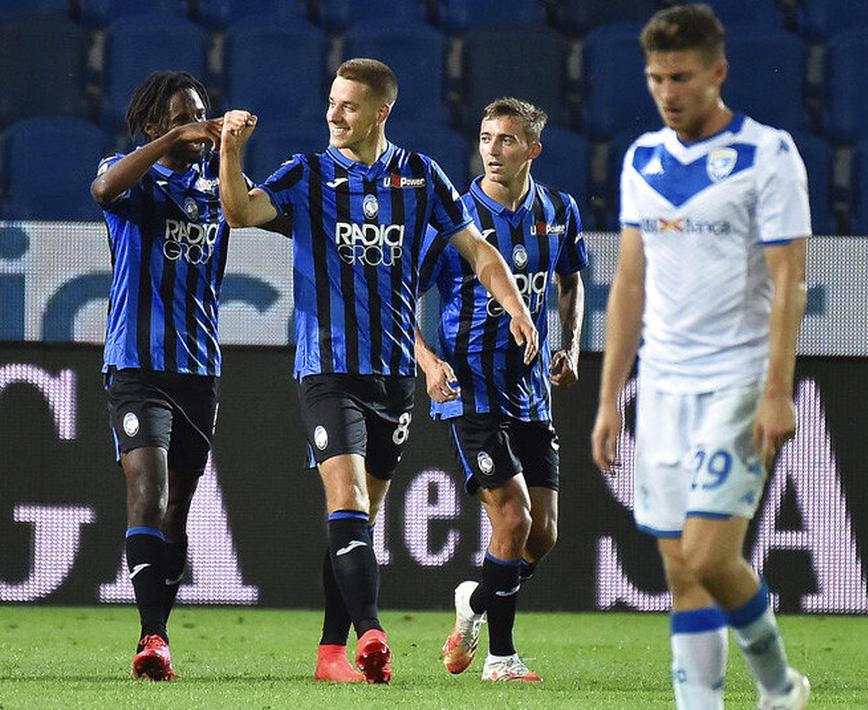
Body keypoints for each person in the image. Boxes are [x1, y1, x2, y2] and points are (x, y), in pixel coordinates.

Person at [216, 58, 538, 684]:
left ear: (381, 111)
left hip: (393, 377)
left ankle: (330, 652)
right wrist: (231, 151)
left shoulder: (420, 176)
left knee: (360, 521)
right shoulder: (309, 173)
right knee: (350, 500)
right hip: (327, 369)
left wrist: (518, 307)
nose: (333, 114)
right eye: (331, 102)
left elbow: (478, 249)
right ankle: (372, 635)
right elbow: (238, 213)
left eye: (349, 105)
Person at [590, 5, 811, 708]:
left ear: (716, 72)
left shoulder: (766, 154)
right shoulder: (642, 159)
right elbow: (628, 283)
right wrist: (608, 399)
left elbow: (788, 281)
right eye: (656, 77)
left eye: (680, 76)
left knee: (709, 555)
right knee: (678, 571)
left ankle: (777, 685)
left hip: (737, 382)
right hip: (661, 387)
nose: (666, 91)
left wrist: (777, 390)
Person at [90, 70, 276, 680]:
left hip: (198, 369)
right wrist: (173, 142)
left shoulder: (217, 188)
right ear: (155, 128)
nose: (201, 123)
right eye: (184, 117)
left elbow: (256, 209)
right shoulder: (132, 175)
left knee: (178, 512)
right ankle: (151, 639)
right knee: (148, 491)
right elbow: (101, 191)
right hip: (137, 364)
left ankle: (160, 632)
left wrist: (230, 149)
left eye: (203, 113)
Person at [415, 97, 587, 682]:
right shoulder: (454, 216)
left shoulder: (560, 211)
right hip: (472, 388)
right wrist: (428, 360)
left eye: (507, 140)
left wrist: (571, 339)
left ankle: (476, 604)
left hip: (532, 390)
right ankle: (501, 658)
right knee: (510, 519)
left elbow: (571, 282)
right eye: (486, 138)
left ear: (532, 149)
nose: (493, 150)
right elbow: (398, 294)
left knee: (544, 533)